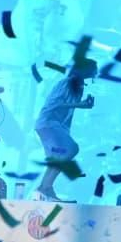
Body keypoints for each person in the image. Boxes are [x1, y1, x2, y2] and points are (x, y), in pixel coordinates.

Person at [31, 58, 96, 202]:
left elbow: (68, 109)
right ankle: (45, 188)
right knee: (71, 149)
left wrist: (81, 105)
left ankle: (45, 189)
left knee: (58, 159)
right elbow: (55, 103)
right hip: (48, 123)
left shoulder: (79, 86)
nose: (95, 71)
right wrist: (80, 104)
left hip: (54, 125)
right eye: (93, 68)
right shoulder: (67, 83)